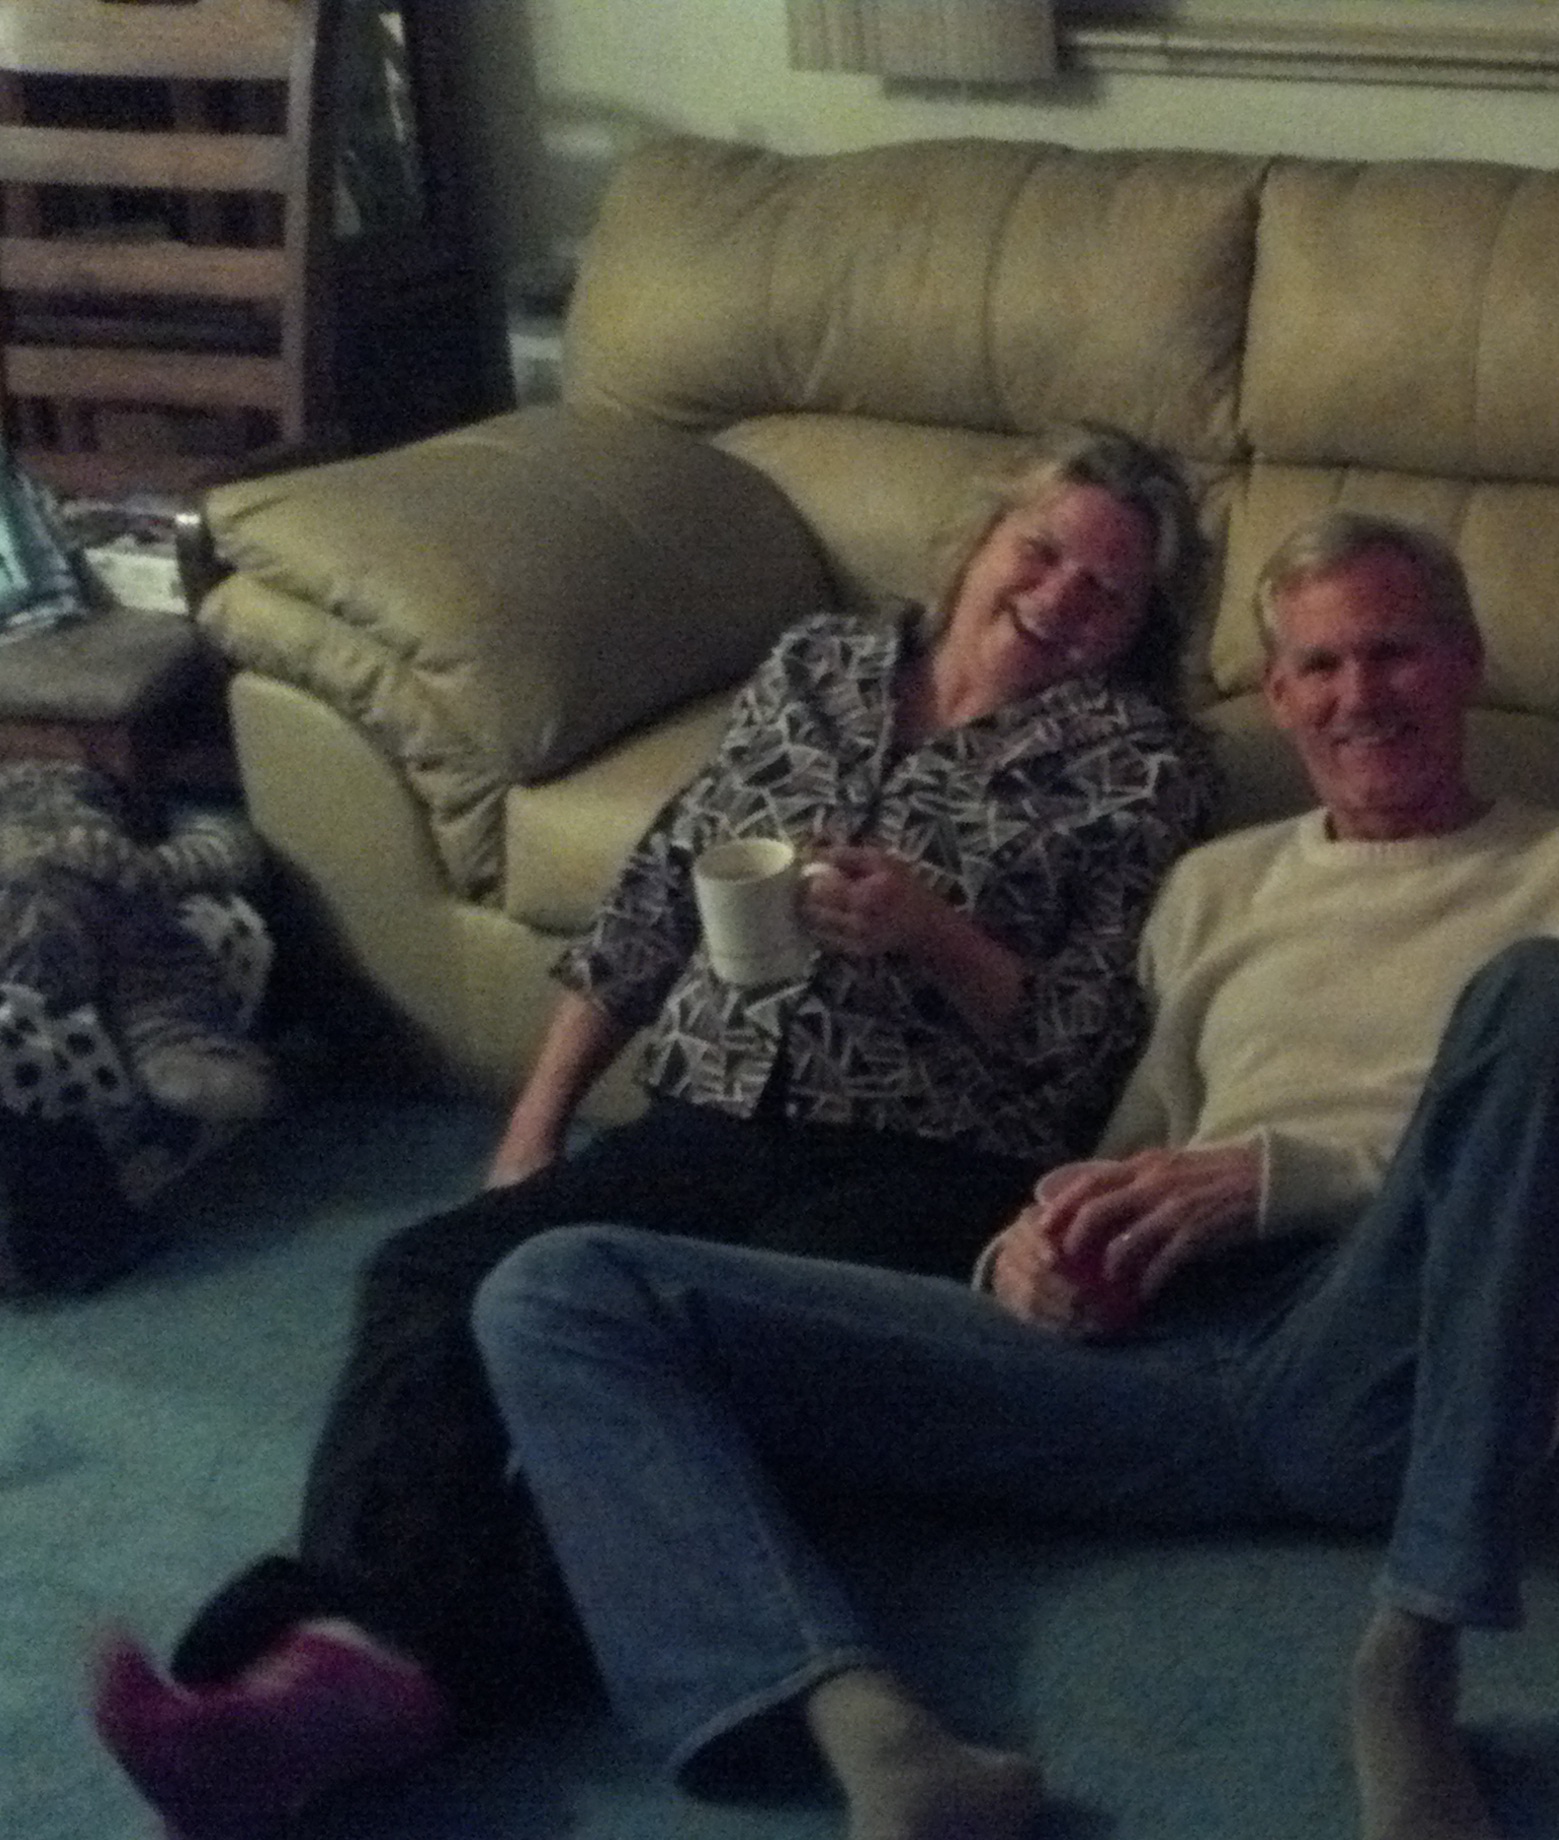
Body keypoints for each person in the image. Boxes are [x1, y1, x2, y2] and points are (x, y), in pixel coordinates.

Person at [465, 512, 1559, 1840]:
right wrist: (1030, 1251)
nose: (1359, 697)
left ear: (1465, 662)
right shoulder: (1215, 885)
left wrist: (1275, 1181)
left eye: (1393, 652)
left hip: (1391, 1356)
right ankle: (872, 1737)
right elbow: (1120, 1149)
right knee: (559, 1290)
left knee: (1551, 998)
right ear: (1279, 697)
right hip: (1150, 1365)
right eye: (1319, 667)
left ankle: (1414, 1660)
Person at [91, 422, 1220, 1838]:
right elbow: (655, 900)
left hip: (932, 1157)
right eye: (1040, 551)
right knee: (434, 1272)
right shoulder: (818, 664)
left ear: (1138, 629)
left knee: (695, 1391)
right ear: (981, 541)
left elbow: (1087, 1049)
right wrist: (534, 1133)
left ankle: (354, 1683)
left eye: (1105, 591)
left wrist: (936, 933)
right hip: (708, 1113)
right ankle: (358, 1648)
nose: (1058, 598)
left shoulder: (1141, 765)